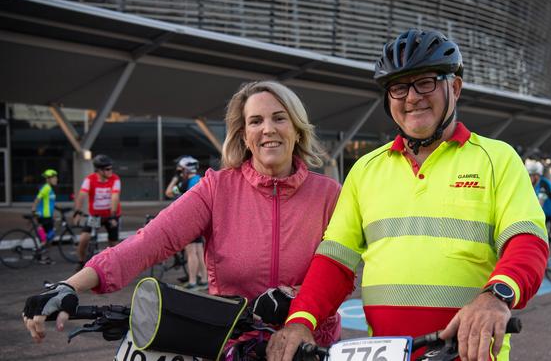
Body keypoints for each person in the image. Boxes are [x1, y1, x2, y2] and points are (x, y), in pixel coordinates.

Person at [267, 29, 549, 361]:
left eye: (425, 82)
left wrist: (496, 295)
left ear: (454, 88)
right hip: (386, 353)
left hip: (469, 355)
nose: (412, 97)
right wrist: (301, 320)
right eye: (399, 87)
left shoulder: (496, 159)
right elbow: (335, 260)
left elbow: (527, 240)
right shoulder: (366, 169)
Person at [22, 81, 342, 352]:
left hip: (311, 347)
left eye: (279, 118)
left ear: (298, 130)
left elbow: (343, 271)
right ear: (244, 135)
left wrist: (295, 298)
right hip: (234, 345)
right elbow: (151, 240)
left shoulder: (329, 194)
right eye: (255, 121)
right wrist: (68, 285)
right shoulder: (217, 188)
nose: (267, 129)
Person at [164, 155, 208, 290]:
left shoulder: (185, 182)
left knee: (191, 252)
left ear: (184, 169)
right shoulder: (200, 179)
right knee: (199, 251)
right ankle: (204, 280)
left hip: (189, 221)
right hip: (200, 220)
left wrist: (175, 177)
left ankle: (193, 281)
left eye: (180, 169)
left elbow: (169, 192)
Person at [71, 154, 122, 271]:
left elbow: (115, 197)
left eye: (111, 168)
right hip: (95, 216)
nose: (111, 171)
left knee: (114, 243)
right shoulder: (90, 179)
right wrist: (77, 211)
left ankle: (115, 266)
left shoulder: (115, 179)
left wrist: (113, 216)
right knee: (84, 238)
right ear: (99, 170)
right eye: (107, 169)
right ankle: (81, 262)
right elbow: (82, 195)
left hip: (111, 215)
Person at [30, 169, 59, 264]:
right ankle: (42, 256)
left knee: (48, 237)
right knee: (48, 237)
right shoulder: (46, 188)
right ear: (49, 179)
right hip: (44, 216)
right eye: (54, 178)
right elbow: (38, 198)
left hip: (48, 216)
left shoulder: (49, 188)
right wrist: (34, 209)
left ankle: (42, 254)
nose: (56, 179)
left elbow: (49, 203)